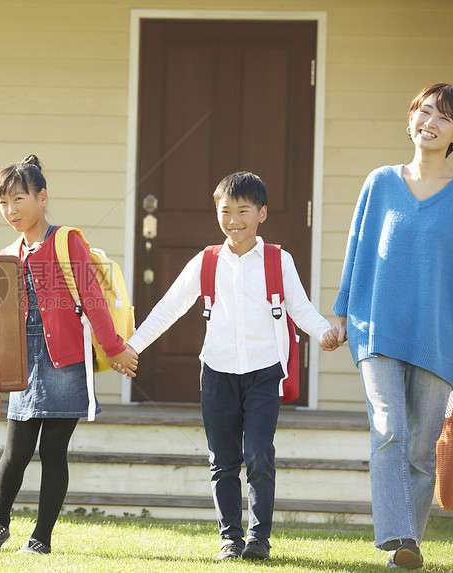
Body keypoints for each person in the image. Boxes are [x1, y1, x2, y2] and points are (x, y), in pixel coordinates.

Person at [122, 171, 337, 562]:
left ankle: (258, 538)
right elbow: (168, 308)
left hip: (265, 371)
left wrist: (324, 334)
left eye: (243, 210)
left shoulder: (278, 259)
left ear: (262, 213)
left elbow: (300, 308)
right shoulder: (207, 261)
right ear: (216, 212)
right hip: (218, 372)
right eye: (225, 210)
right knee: (223, 460)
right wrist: (131, 347)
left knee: (258, 452)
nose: (234, 219)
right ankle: (230, 538)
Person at [0, 155, 138, 555]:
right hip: (24, 360)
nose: (10, 211)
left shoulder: (66, 240)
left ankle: (41, 538)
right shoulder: (13, 249)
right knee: (16, 450)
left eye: (18, 199)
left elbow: (93, 300)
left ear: (43, 197)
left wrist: (115, 351)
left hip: (66, 360)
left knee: (53, 452)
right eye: (3, 203)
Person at [329, 82, 453, 570]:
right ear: (410, 118)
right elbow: (357, 247)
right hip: (377, 327)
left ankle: (402, 551)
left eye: (444, 116)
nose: (430, 121)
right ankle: (400, 538)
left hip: (438, 336)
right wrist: (342, 313)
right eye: (424, 110)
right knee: (389, 431)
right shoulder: (380, 182)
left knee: (422, 450)